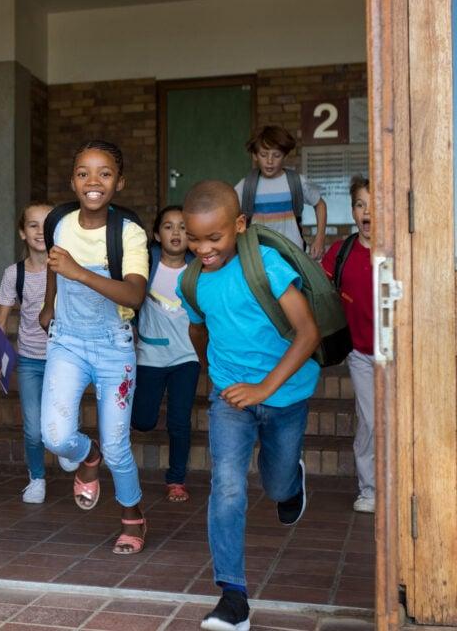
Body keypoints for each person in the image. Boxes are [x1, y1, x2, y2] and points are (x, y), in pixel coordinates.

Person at [177, 180, 321, 631]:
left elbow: (308, 333)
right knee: (228, 488)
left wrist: (262, 389)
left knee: (275, 487)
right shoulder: (192, 282)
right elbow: (198, 332)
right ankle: (233, 597)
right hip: (230, 402)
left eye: (214, 238)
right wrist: (218, 377)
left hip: (286, 396)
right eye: (193, 238)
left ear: (239, 225)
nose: (203, 248)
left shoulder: (268, 267)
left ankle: (290, 484)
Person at [38, 140, 149, 555]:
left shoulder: (129, 232)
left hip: (112, 347)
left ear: (119, 182)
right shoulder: (60, 221)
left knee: (119, 445)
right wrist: (49, 304)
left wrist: (78, 272)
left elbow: (134, 296)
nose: (93, 181)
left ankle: (132, 515)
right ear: (72, 181)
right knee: (54, 435)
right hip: (66, 340)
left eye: (104, 173)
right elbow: (54, 265)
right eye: (83, 173)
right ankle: (88, 455)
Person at [132, 205, 200, 503]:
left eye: (183, 227)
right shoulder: (145, 265)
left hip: (187, 356)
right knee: (143, 421)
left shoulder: (198, 269)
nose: (176, 232)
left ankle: (176, 480)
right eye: (169, 226)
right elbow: (129, 301)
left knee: (179, 420)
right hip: (150, 354)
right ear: (156, 234)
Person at [0, 202, 53, 503]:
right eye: (33, 225)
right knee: (33, 428)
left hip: (64, 359)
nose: (41, 231)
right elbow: (0, 321)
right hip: (28, 359)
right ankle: (37, 478)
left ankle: (71, 449)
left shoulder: (67, 270)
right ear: (22, 233)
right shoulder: (14, 274)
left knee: (58, 422)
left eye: (47, 224)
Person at [321, 175, 375, 513]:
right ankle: (370, 489)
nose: (367, 212)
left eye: (375, 204)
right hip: (361, 353)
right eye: (360, 204)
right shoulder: (341, 253)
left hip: (402, 352)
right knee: (370, 420)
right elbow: (319, 290)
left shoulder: (404, 248)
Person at [235, 125, 328, 258]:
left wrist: (320, 238)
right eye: (263, 154)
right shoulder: (246, 185)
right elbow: (228, 212)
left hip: (293, 256)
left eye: (276, 155)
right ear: (255, 155)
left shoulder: (296, 182)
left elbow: (320, 205)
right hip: (259, 257)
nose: (269, 161)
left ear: (285, 156)